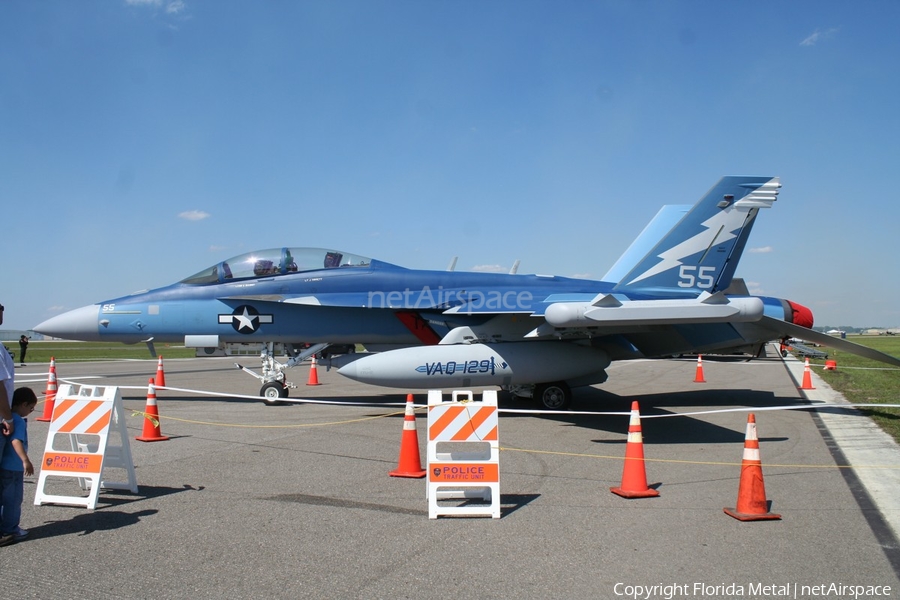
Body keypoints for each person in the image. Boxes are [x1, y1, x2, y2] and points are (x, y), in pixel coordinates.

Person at [0, 387, 35, 546]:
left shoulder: (6, 418)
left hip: (4, 466)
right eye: (31, 408)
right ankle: (11, 528)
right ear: (24, 404)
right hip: (14, 469)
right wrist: (25, 460)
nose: (30, 411)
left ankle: (4, 525)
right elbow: (16, 441)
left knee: (3, 498)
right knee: (13, 500)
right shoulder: (18, 421)